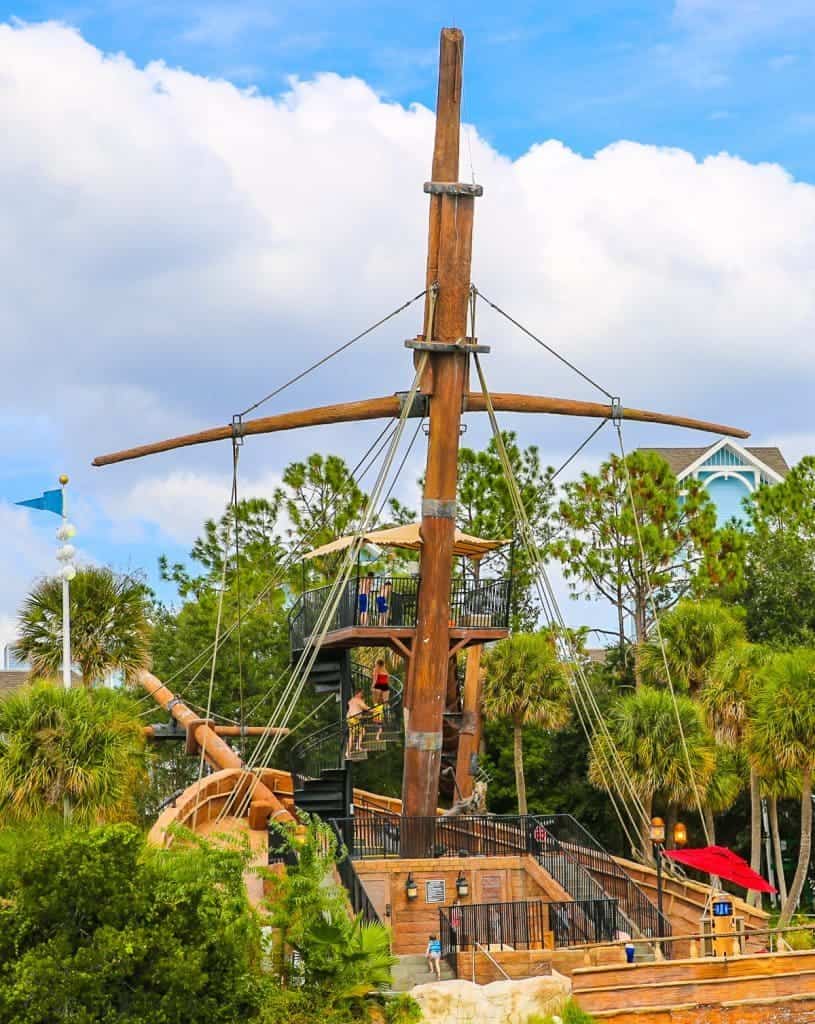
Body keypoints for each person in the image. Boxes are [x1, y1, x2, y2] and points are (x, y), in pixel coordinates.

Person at [346, 689, 369, 755]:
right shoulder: (358, 700)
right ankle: (353, 749)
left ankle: (351, 750)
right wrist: (375, 710)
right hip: (354, 719)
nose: (362, 694)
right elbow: (366, 708)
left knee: (353, 735)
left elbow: (354, 707)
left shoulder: (351, 700)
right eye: (361, 693)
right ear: (358, 693)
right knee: (361, 732)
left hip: (349, 718)